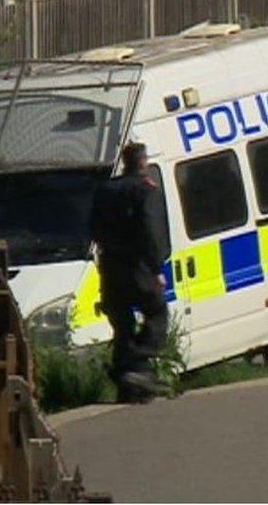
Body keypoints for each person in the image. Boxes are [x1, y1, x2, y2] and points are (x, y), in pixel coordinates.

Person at [89, 142, 170, 402]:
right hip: (137, 266)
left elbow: (93, 229)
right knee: (157, 312)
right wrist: (157, 268)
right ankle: (139, 359)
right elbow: (150, 230)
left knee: (122, 324)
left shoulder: (105, 190)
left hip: (110, 268)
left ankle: (129, 380)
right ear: (143, 162)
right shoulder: (145, 189)